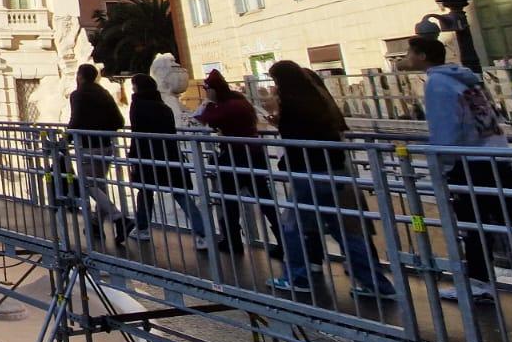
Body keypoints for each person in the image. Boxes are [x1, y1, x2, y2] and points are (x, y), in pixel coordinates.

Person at [402, 35, 512, 301]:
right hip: (496, 156)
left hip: (470, 163)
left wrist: (441, 166)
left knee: (474, 225)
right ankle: (481, 281)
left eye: (409, 53)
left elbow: (445, 129)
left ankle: (479, 283)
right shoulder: (464, 80)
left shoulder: (437, 84)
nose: (405, 58)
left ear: (421, 56)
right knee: (509, 222)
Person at [266, 60, 393, 297]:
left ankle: (297, 277)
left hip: (309, 172)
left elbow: (294, 142)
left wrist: (284, 151)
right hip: (334, 170)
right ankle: (377, 284)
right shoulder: (318, 102)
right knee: (346, 230)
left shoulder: (292, 106)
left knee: (292, 227)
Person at [196, 69, 284, 256]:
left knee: (229, 200)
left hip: (236, 156)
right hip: (253, 153)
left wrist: (209, 102)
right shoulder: (241, 102)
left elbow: (204, 118)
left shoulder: (226, 106)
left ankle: (233, 241)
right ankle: (283, 239)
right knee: (265, 199)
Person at [127, 74, 209, 249]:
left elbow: (137, 134)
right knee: (179, 193)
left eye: (133, 86)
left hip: (147, 156)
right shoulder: (163, 106)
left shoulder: (138, 105)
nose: (132, 90)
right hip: (169, 154)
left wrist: (132, 156)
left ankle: (142, 228)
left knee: (145, 192)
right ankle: (203, 233)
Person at [67, 64, 128, 244]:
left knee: (87, 184)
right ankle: (96, 226)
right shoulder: (104, 93)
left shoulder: (78, 95)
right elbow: (119, 120)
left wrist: (66, 139)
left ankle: (118, 217)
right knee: (99, 187)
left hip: (87, 146)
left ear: (80, 76)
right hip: (106, 146)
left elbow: (75, 120)